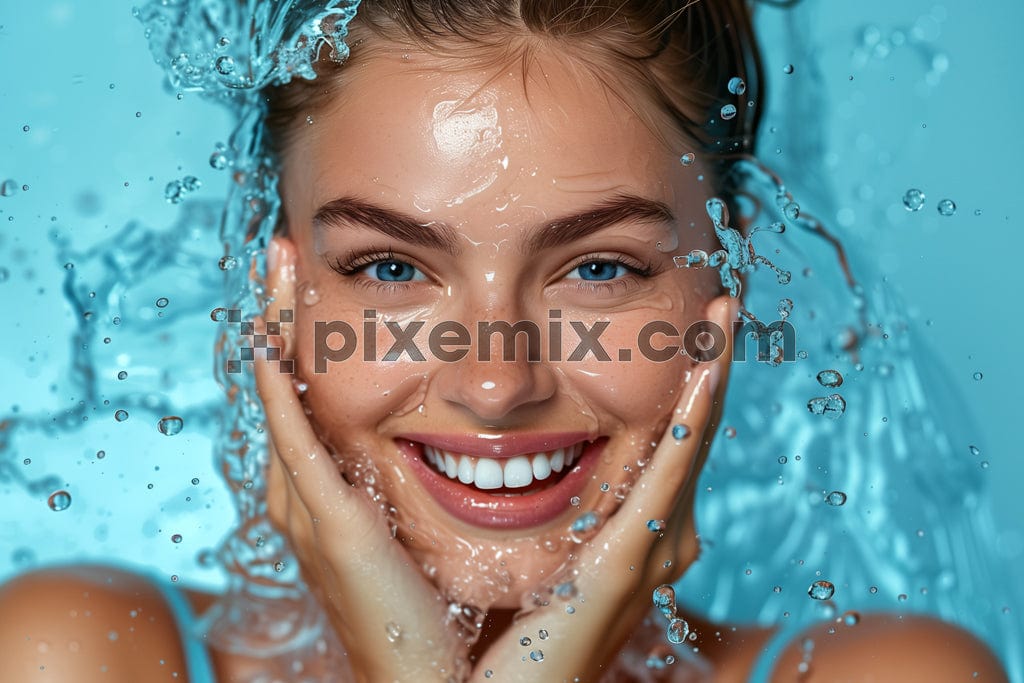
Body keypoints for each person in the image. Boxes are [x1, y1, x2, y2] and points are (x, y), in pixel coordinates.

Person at [0, 0, 1009, 681]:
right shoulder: (79, 652)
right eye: (391, 268)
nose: (495, 383)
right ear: (277, 290)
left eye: (600, 268)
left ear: (728, 279)